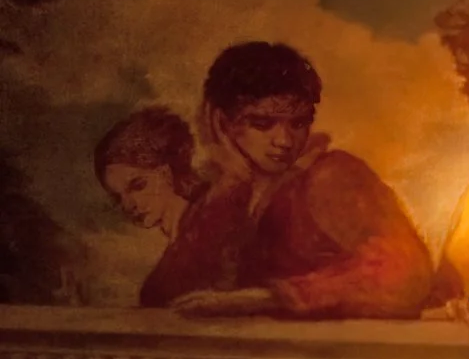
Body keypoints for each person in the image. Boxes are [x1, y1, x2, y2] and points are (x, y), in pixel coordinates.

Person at [162, 41, 445, 321]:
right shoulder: (220, 194)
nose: (284, 141)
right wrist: (230, 185)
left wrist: (269, 298)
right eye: (262, 124)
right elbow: (164, 296)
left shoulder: (331, 176)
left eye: (298, 123)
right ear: (222, 124)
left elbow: (408, 273)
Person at [92, 107, 210, 307]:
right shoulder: (178, 244)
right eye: (118, 197)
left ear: (166, 173)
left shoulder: (206, 235)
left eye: (138, 185)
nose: (128, 205)